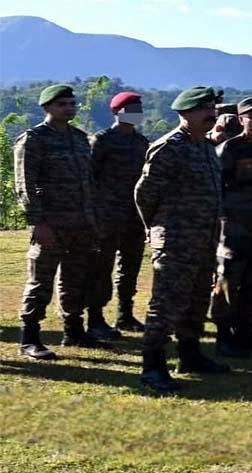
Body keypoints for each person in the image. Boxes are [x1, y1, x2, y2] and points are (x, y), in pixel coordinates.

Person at [135, 86, 229, 391]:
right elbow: (144, 194)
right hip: (176, 239)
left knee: (197, 300)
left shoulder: (206, 147)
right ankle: (152, 366)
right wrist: (155, 227)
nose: (210, 115)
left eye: (213, 109)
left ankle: (190, 354)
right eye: (203, 109)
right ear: (185, 113)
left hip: (204, 239)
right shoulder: (170, 147)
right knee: (166, 303)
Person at [14, 84, 104, 360]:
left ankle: (73, 330)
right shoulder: (34, 139)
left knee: (76, 279)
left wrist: (93, 218)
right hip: (51, 223)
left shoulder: (79, 138)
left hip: (81, 223)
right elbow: (24, 184)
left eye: (72, 103)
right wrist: (37, 222)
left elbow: (88, 182)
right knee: (41, 280)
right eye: (62, 104)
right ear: (47, 108)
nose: (69, 108)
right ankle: (29, 337)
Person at [209, 96, 252, 357]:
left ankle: (245, 334)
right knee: (228, 282)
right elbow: (216, 189)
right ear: (241, 120)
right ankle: (223, 337)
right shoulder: (229, 150)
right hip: (234, 229)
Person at [87, 90, 150, 339]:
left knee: (130, 266)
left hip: (135, 216)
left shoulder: (141, 142)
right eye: (131, 109)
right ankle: (96, 317)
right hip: (107, 214)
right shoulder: (102, 140)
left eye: (139, 110)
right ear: (117, 112)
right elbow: (90, 176)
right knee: (101, 267)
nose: (136, 114)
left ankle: (125, 314)